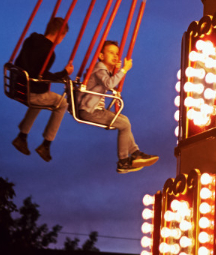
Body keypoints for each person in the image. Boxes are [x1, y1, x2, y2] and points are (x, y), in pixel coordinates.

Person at [79, 40, 159, 173]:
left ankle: (135, 153)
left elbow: (108, 82)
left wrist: (115, 71)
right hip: (90, 110)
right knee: (124, 124)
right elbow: (108, 84)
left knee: (124, 121)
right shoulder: (99, 68)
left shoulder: (104, 70)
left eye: (116, 53)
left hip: (95, 110)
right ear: (101, 56)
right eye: (111, 53)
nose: (115, 56)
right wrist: (124, 70)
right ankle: (123, 161)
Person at [10, 16, 70, 162]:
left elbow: (33, 71)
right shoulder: (49, 52)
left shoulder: (30, 40)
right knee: (62, 104)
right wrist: (64, 73)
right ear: (59, 34)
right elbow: (41, 76)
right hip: (30, 91)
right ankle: (46, 144)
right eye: (63, 36)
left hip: (16, 87)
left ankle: (22, 136)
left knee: (42, 97)